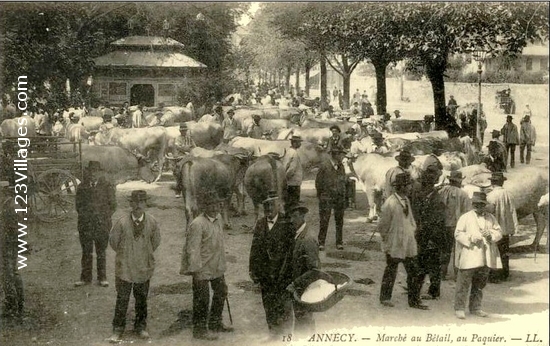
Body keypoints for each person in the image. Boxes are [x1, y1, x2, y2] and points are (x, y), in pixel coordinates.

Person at [108, 190, 161, 342]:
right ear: (130, 204)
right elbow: (113, 242)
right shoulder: (122, 222)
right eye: (135, 202)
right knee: (122, 298)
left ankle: (141, 327)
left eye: (141, 202)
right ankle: (118, 329)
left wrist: (144, 253)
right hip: (125, 267)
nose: (138, 206)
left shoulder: (152, 222)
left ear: (146, 204)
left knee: (142, 298)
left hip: (143, 266)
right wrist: (126, 254)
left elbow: (156, 242)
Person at [182, 190, 233, 340]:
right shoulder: (197, 224)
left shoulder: (218, 219)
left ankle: (215, 322)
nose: (214, 208)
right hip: (201, 268)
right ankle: (199, 330)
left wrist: (222, 264)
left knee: (221, 291)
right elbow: (192, 249)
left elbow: (220, 244)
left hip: (216, 266)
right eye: (210, 205)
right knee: (202, 299)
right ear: (204, 206)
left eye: (217, 204)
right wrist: (196, 271)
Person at [378, 173, 428, 310]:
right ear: (402, 187)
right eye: (409, 185)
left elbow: (410, 220)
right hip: (394, 243)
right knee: (391, 270)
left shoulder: (406, 200)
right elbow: (383, 226)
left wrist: (412, 231)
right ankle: (385, 298)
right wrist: (388, 241)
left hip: (408, 243)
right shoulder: (390, 203)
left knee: (413, 271)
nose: (411, 187)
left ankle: (414, 301)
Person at [249, 191, 293, 341]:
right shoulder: (260, 223)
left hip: (283, 274)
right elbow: (254, 248)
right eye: (266, 205)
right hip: (265, 275)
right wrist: (253, 271)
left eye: (271, 205)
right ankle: (273, 335)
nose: (268, 208)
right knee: (269, 306)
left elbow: (291, 250)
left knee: (284, 307)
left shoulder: (287, 223)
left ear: (278, 205)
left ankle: (286, 339)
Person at [454, 191, 502, 319]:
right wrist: (471, 238)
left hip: (485, 255)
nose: (478, 206)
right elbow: (458, 234)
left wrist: (491, 235)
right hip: (470, 254)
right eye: (475, 204)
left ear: (484, 205)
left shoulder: (491, 218)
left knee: (480, 284)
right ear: (472, 204)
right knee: (463, 282)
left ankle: (475, 307)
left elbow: (498, 232)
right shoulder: (465, 217)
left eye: (481, 204)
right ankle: (459, 308)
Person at [75, 161, 117, 287]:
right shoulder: (82, 187)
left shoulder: (107, 186)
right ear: (88, 172)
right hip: (86, 225)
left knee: (101, 252)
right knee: (86, 252)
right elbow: (78, 205)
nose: (93, 174)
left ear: (100, 173)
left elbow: (113, 205)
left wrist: (103, 217)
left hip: (102, 225)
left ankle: (102, 278)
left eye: (96, 171)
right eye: (91, 171)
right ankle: (85, 278)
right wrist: (86, 217)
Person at [411, 166, 446, 300]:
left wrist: (432, 239)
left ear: (429, 186)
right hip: (422, 235)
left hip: (432, 237)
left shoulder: (437, 200)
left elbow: (438, 221)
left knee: (432, 265)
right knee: (420, 262)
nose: (422, 188)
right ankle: (418, 288)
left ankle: (433, 291)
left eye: (424, 185)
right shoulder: (423, 197)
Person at [285, 205, 319, 337]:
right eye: (290, 216)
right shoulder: (297, 234)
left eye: (295, 216)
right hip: (299, 288)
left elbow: (315, 270)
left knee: (304, 321)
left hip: (305, 288)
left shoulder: (308, 239)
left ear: (302, 216)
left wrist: (295, 284)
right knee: (301, 320)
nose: (292, 220)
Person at [438, 171, 471, 280]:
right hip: (457, 226)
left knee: (444, 250)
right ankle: (457, 275)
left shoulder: (441, 192)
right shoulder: (463, 194)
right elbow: (468, 212)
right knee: (458, 250)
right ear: (459, 181)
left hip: (443, 224)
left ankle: (442, 273)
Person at [486, 172, 518, 283]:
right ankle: (505, 273)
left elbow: (489, 211)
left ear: (492, 182)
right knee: (504, 251)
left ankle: (495, 275)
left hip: (495, 229)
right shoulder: (509, 194)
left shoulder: (491, 195)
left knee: (494, 252)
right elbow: (513, 210)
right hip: (506, 228)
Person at [1, 181, 24, 324]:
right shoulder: (8, 205)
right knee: (10, 273)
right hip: (8, 244)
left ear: (4, 192)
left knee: (8, 274)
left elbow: (16, 229)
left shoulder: (11, 207)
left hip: (9, 245)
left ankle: (13, 306)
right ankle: (16, 304)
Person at [315, 147, 347, 251]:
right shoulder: (324, 166)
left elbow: (343, 182)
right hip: (326, 197)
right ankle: (321, 242)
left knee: (339, 221)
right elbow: (318, 183)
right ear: (335, 155)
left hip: (339, 198)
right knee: (324, 220)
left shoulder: (341, 167)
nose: (342, 157)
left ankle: (339, 242)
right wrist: (321, 196)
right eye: (340, 155)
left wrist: (343, 196)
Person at [284, 135, 304, 209]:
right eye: (299, 142)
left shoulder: (289, 151)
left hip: (290, 182)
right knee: (293, 203)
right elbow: (292, 168)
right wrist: (286, 178)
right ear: (295, 143)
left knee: (289, 202)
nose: (300, 144)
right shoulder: (294, 153)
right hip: (293, 182)